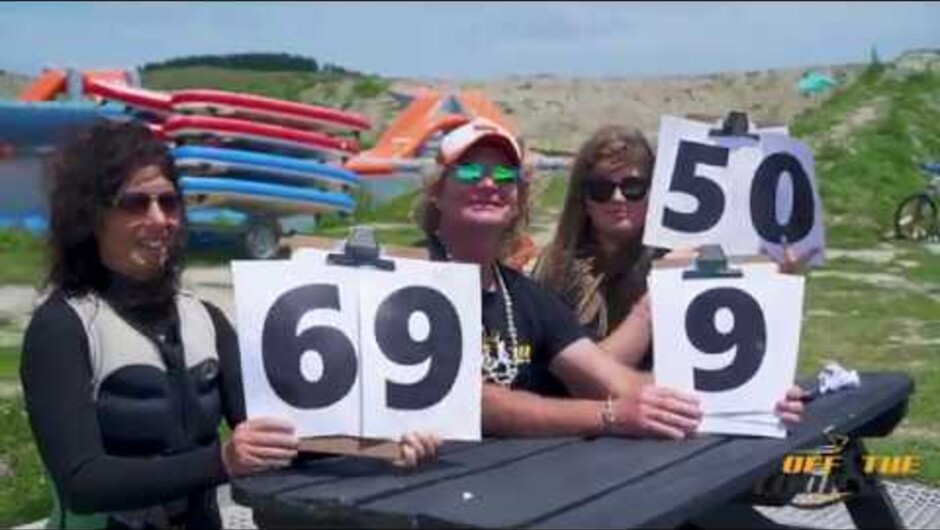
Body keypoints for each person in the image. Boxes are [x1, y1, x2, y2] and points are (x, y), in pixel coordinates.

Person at [19, 119, 440, 530]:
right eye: (135, 203)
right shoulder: (62, 328)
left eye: (169, 202)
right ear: (90, 216)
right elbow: (81, 482)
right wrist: (222, 461)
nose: (160, 219)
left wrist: (383, 446)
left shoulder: (205, 319)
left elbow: (287, 437)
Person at [413, 118, 804, 438]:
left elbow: (610, 378)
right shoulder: (414, 280)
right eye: (468, 169)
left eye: (503, 174)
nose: (488, 183)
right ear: (436, 191)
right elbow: (478, 399)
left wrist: (748, 396)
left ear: (518, 198)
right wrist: (611, 415)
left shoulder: (524, 296)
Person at [532, 125, 819, 369]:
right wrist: (661, 289)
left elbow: (747, 348)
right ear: (582, 197)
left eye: (633, 187)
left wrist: (779, 285)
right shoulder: (557, 269)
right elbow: (591, 375)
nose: (618, 198)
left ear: (654, 192)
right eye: (600, 188)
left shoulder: (683, 255)